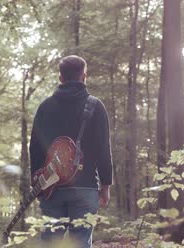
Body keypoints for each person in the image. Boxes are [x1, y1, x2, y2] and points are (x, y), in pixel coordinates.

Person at [29, 55, 113, 248]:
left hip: (51, 186)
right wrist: (106, 185)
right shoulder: (96, 106)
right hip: (86, 187)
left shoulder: (45, 107)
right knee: (80, 243)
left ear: (61, 78)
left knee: (50, 242)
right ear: (84, 76)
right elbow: (103, 149)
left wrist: (37, 182)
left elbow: (35, 148)